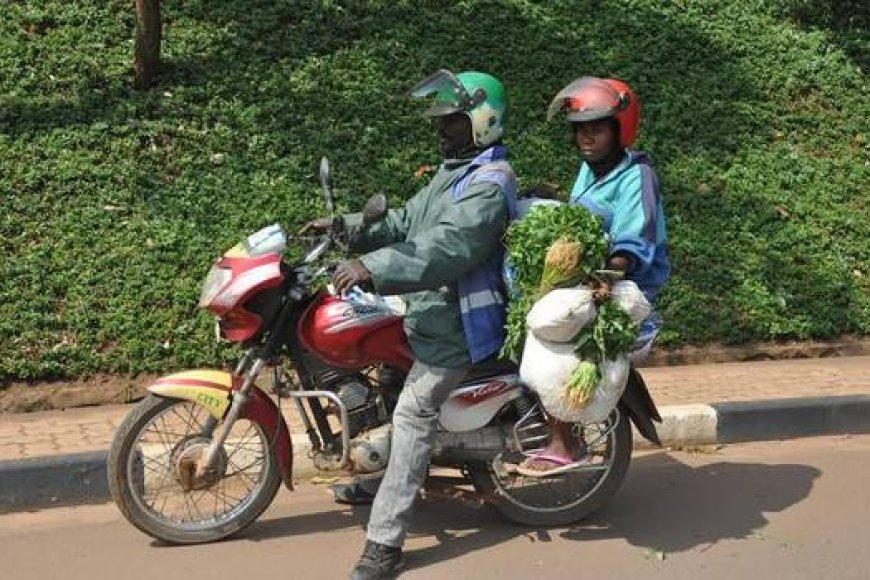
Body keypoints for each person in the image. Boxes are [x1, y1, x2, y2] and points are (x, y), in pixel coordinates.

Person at [307, 69, 516, 579]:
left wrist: (372, 268)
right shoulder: (455, 172)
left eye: (452, 121)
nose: (441, 130)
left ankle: (384, 543)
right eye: (441, 121)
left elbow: (445, 247)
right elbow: (403, 221)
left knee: (413, 414)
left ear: (483, 121)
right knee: (382, 378)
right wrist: (347, 227)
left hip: (457, 326)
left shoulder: (489, 185)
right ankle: (380, 472)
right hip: (425, 311)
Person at [517, 76, 670, 476]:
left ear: (620, 129)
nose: (587, 137)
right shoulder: (590, 170)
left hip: (624, 283)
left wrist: (609, 273)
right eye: (580, 129)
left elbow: (634, 241)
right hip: (587, 276)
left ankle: (564, 441)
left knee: (558, 332)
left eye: (597, 128)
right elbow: (582, 219)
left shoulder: (636, 175)